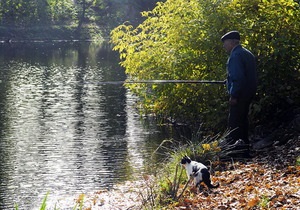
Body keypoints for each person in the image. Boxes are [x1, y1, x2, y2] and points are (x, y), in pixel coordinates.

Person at [221, 31, 257, 152]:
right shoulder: (247, 53)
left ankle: (234, 151)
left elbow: (238, 78)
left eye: (225, 43)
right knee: (243, 120)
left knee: (234, 123)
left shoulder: (235, 55)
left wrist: (233, 95)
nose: (224, 46)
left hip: (240, 95)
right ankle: (244, 147)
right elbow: (246, 75)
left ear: (232, 42)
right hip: (249, 93)